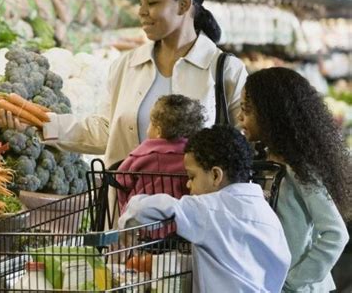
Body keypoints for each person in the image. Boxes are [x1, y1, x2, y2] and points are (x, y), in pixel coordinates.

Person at [0, 0, 247, 169]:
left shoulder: (226, 70)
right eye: (141, 3)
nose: (142, 12)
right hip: (129, 212)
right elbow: (107, 131)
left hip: (194, 218)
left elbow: (242, 147)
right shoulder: (128, 65)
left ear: (183, 5)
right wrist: (43, 123)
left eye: (153, 2)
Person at [118, 125, 291, 292]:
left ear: (216, 175)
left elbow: (144, 208)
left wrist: (127, 223)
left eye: (192, 176)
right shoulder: (267, 214)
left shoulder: (208, 209)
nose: (187, 184)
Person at [237, 67, 350, 292]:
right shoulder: (263, 161)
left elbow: (336, 234)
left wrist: (292, 281)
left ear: (272, 114)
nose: (240, 117)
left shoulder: (299, 168)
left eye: (247, 110)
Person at [116, 94, 205, 213]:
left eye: (150, 123)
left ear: (158, 131)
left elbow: (121, 179)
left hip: (141, 221)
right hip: (180, 219)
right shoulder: (194, 158)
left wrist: (124, 207)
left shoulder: (141, 155)